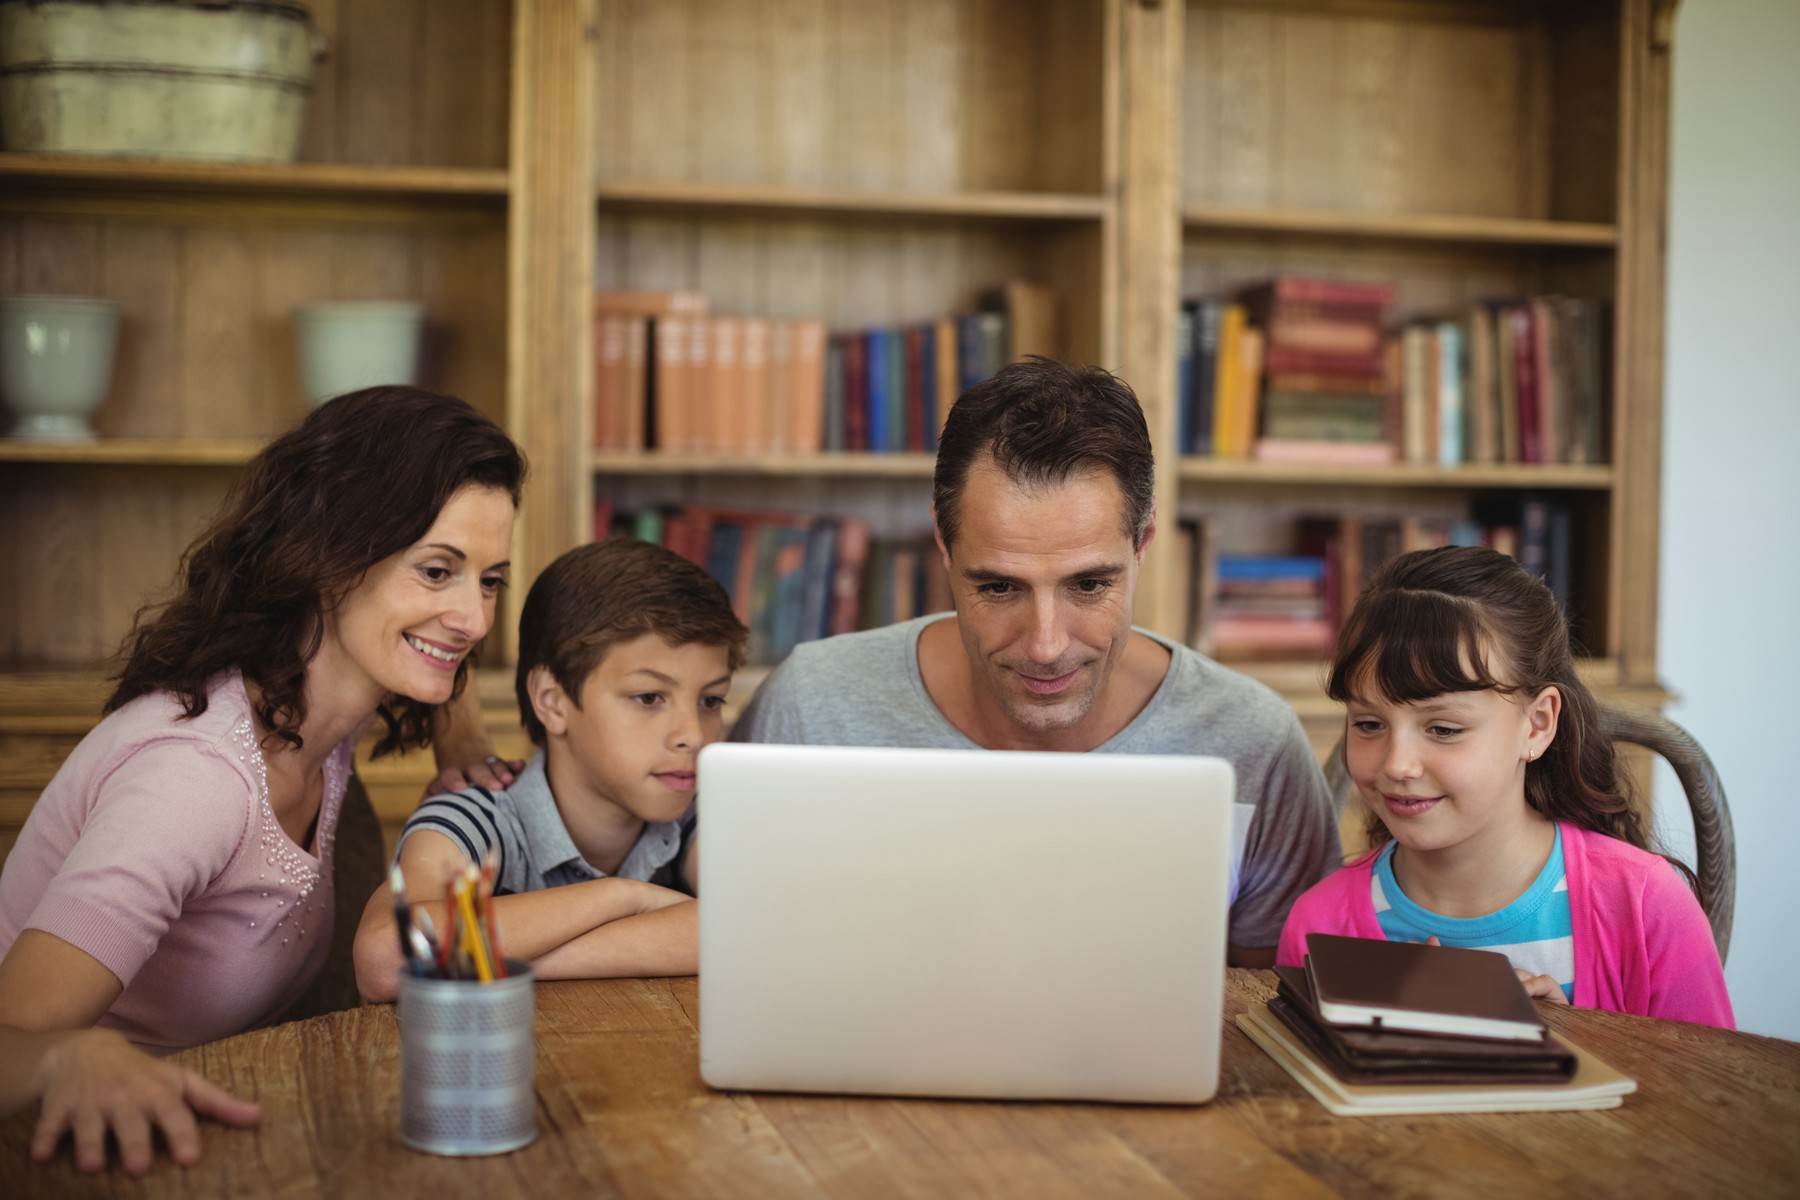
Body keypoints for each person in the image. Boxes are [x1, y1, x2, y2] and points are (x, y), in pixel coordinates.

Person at [0, 387, 525, 1175]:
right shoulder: (196, 782)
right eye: (438, 569)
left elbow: (442, 640)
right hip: (73, 1154)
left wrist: (463, 739)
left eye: (491, 580)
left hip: (213, 1130)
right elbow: (11, 1036)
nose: (476, 618)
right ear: (330, 553)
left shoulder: (315, 704)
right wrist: (62, 1059)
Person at [732, 358, 1340, 966]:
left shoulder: (1254, 743)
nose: (1045, 646)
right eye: (998, 588)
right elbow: (735, 950)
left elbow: (1262, 1017)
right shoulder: (812, 704)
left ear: (1143, 545)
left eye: (1089, 585)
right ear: (944, 549)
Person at [1276, 546, 1733, 1028]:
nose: (1398, 764)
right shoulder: (1318, 925)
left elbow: (1708, 1099)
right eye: (1368, 724)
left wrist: (1579, 1041)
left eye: (1444, 729)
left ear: (1536, 725)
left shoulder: (1645, 906)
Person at [353, 537, 747, 1001]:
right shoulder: (475, 817)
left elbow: (757, 926)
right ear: (552, 701)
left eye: (711, 700)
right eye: (649, 698)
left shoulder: (694, 811)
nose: (693, 735)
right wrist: (624, 897)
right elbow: (385, 958)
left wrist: (494, 957)